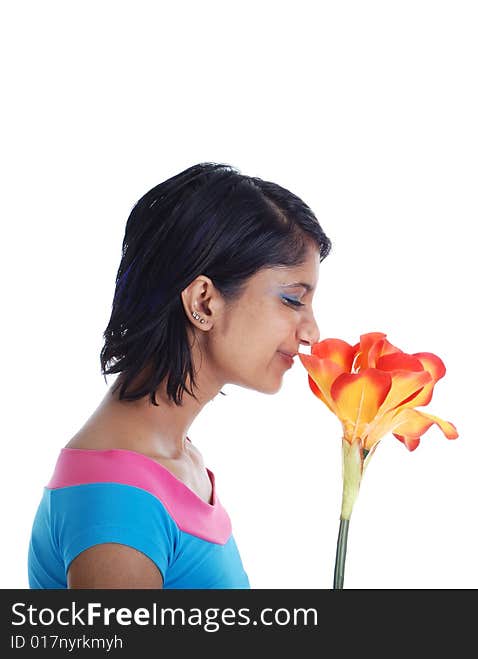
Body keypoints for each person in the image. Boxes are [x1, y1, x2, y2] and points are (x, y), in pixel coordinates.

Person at [27, 162, 331, 588]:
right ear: (204, 302)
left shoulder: (177, 462)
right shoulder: (119, 506)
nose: (312, 333)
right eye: (292, 299)